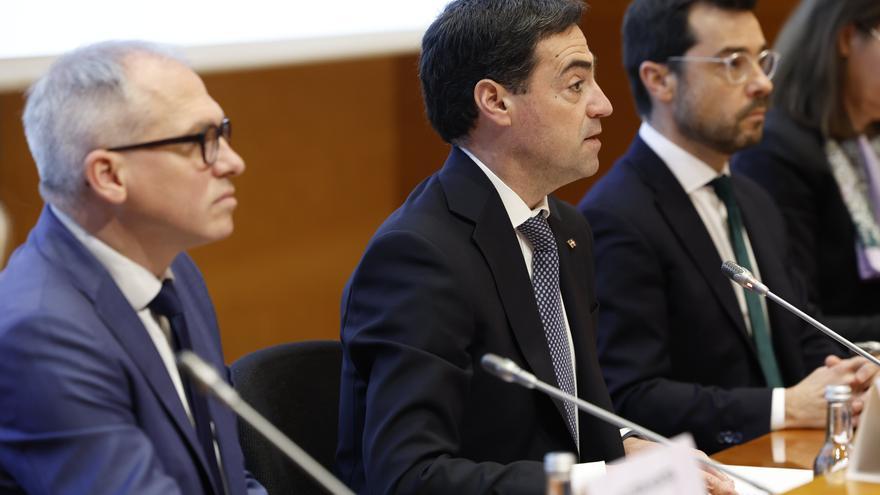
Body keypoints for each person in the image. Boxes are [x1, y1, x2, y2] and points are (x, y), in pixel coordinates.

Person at [333, 0, 726, 493]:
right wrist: (597, 481)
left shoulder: (565, 229)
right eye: (575, 85)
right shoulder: (418, 256)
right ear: (495, 102)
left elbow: (563, 416)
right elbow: (408, 477)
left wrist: (626, 448)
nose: (603, 104)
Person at [578, 0, 877, 455]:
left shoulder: (753, 198)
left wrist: (854, 369)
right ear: (659, 79)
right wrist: (784, 407)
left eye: (761, 60)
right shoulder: (616, 215)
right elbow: (630, 397)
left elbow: (797, 334)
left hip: (792, 461)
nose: (762, 83)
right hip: (712, 471)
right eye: (734, 63)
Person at [0, 41, 265, 495]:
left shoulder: (174, 270)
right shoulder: (39, 333)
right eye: (199, 141)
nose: (232, 162)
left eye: (223, 132)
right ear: (108, 176)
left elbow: (225, 475)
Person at [733, 0, 880, 343]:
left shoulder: (870, 139)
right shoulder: (775, 151)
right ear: (846, 39)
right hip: (830, 365)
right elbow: (796, 321)